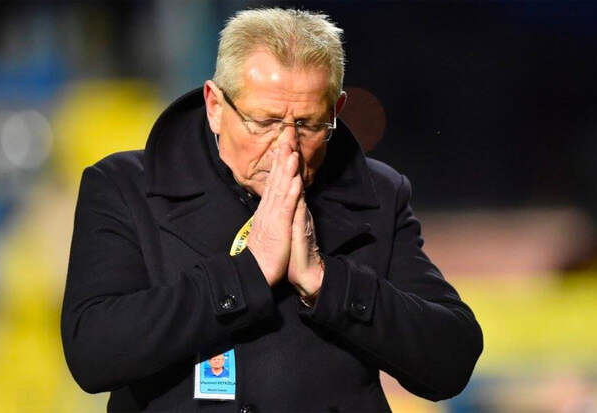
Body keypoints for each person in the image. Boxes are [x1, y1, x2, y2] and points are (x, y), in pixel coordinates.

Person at [61, 7, 483, 413]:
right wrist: (248, 274)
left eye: (309, 124)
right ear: (215, 106)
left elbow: (452, 358)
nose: (287, 147)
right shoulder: (125, 187)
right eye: (264, 122)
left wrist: (325, 283)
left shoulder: (378, 195)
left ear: (336, 112)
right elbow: (93, 353)